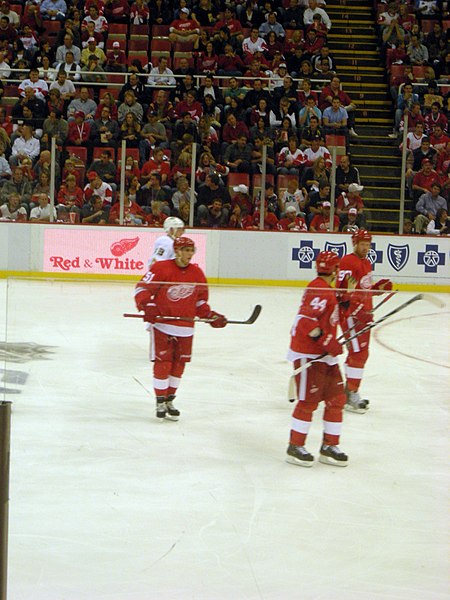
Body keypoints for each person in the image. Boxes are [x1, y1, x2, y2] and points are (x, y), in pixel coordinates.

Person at [134, 236, 227, 419]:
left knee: (179, 364)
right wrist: (148, 305)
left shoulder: (197, 273)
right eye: (186, 250)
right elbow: (141, 289)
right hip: (163, 324)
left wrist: (210, 315)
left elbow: (200, 301)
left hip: (186, 326)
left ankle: (170, 399)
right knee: (164, 363)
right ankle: (160, 401)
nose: (189, 254)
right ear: (176, 251)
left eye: (191, 250)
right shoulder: (161, 268)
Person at [286, 251, 348, 468]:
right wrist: (327, 339)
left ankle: (329, 446)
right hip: (309, 355)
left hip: (324, 356)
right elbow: (305, 321)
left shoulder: (326, 288)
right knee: (308, 402)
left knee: (337, 399)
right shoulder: (319, 288)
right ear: (335, 269)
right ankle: (295, 446)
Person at [336, 230, 392, 413]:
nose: (366, 248)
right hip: (352, 316)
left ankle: (349, 392)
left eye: (368, 244)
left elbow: (363, 289)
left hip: (365, 315)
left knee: (360, 354)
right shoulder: (348, 262)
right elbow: (344, 290)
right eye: (363, 244)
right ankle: (351, 393)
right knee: (358, 353)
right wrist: (357, 309)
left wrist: (378, 289)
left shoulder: (366, 263)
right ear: (355, 243)